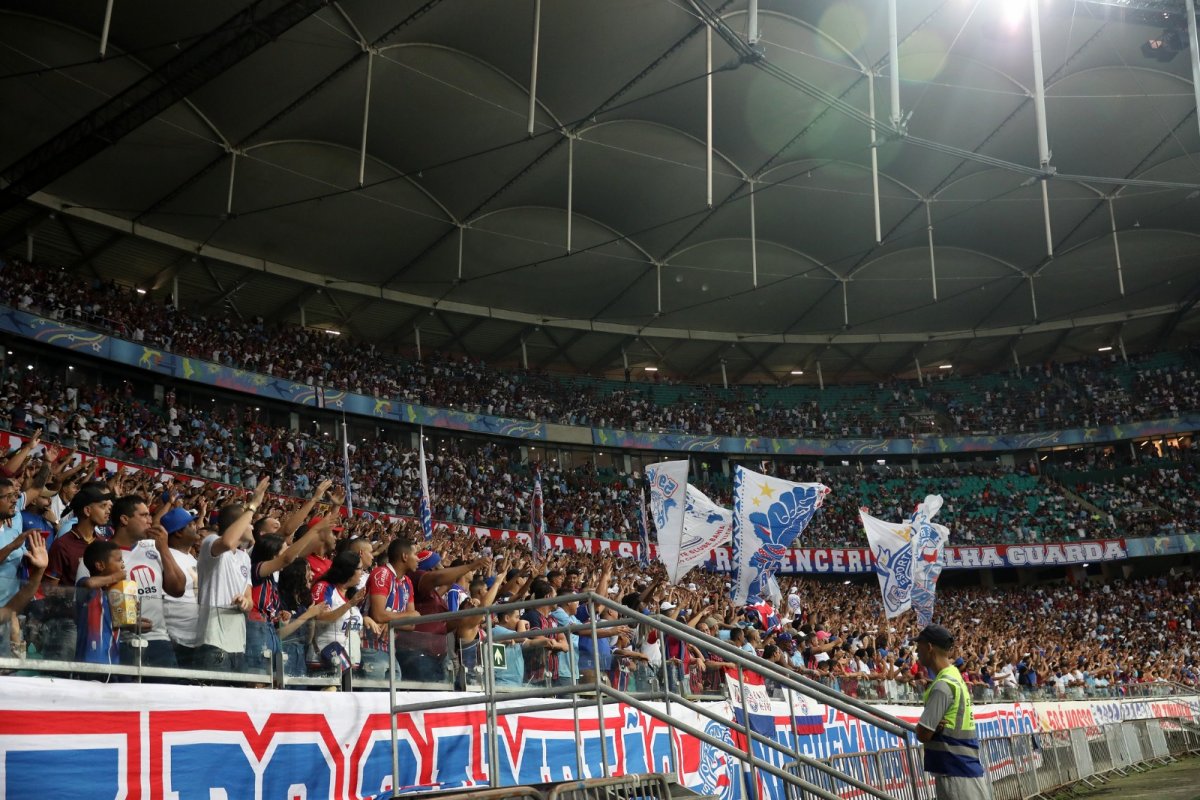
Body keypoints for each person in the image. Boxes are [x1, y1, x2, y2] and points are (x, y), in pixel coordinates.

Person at [914, 624, 992, 800]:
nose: (916, 651)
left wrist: (928, 729)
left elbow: (923, 733)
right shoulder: (954, 676)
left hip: (955, 771)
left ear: (929, 647)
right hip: (964, 768)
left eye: (919, 645)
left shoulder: (942, 685)